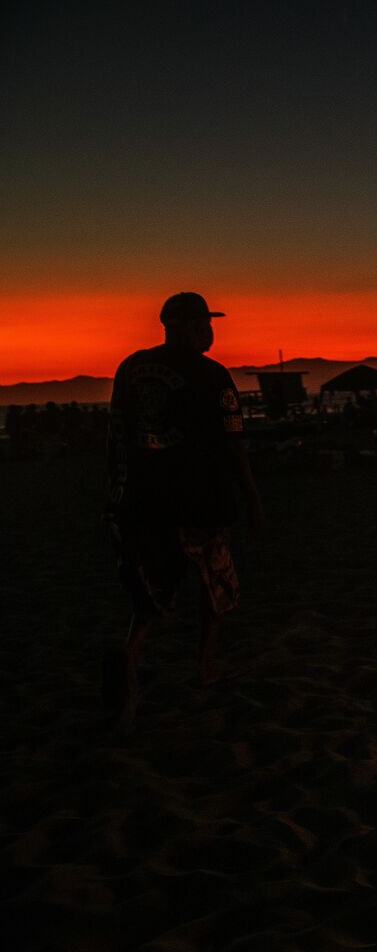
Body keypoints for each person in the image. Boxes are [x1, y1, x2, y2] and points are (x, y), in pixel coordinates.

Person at [104, 292, 264, 732]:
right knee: (216, 584)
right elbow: (234, 444)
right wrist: (251, 497)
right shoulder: (212, 374)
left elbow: (117, 435)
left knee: (152, 592)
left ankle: (130, 655)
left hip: (145, 501)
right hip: (200, 502)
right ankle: (205, 668)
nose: (211, 331)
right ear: (195, 326)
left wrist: (116, 494)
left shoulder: (130, 369)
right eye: (207, 323)